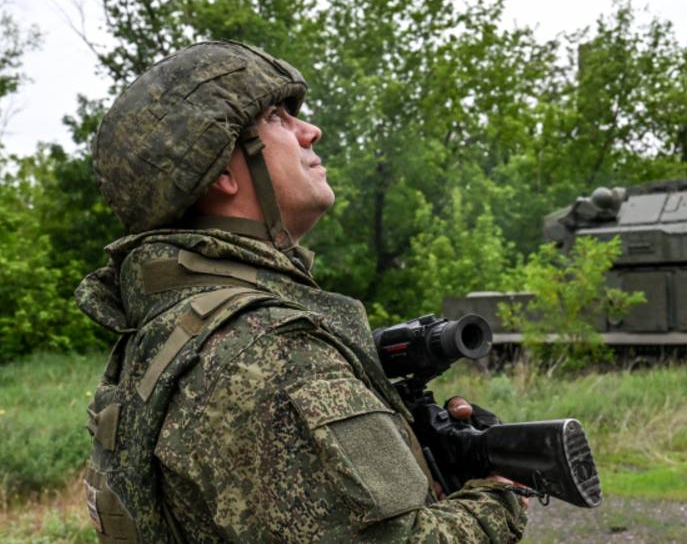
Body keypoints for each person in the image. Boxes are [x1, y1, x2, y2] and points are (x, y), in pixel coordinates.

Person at [76, 40, 527, 543]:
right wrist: (497, 494)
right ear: (220, 171)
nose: (311, 131)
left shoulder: (173, 329)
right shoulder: (271, 350)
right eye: (276, 118)